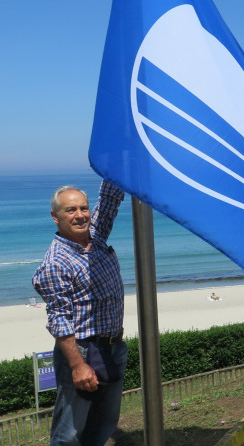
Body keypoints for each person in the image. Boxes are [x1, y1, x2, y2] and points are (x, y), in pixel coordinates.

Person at [33, 181, 127, 446]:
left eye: (83, 208)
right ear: (56, 217)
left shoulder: (95, 238)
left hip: (112, 346)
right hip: (82, 351)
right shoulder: (57, 262)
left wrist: (117, 158)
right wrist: (78, 366)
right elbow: (59, 320)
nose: (80, 215)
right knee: (70, 433)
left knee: (103, 423)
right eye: (70, 210)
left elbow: (109, 200)